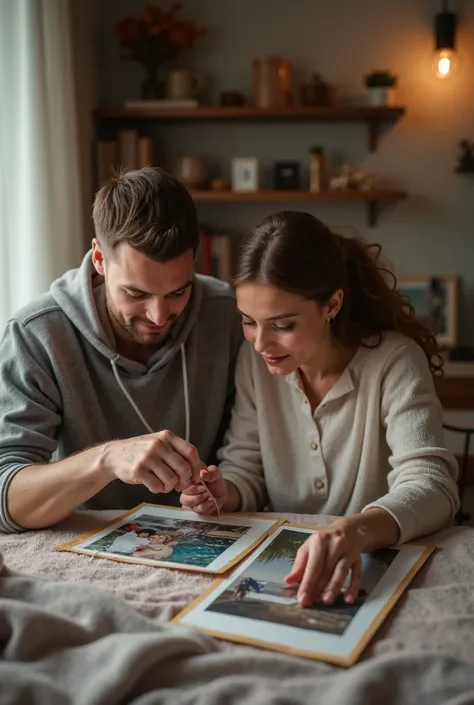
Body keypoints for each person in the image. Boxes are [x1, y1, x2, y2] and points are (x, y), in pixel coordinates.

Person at [181, 210, 459, 608]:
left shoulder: (394, 361)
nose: (261, 343)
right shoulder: (255, 362)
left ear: (331, 304)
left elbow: (432, 485)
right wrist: (226, 491)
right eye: (249, 322)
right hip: (280, 568)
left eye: (282, 325)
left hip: (376, 569)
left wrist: (356, 531)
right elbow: (246, 465)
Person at [0, 167, 242, 533]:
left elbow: (250, 455)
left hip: (206, 536)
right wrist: (107, 459)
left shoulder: (228, 315)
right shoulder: (35, 334)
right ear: (99, 259)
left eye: (178, 291)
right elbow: (5, 498)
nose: (159, 316)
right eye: (136, 294)